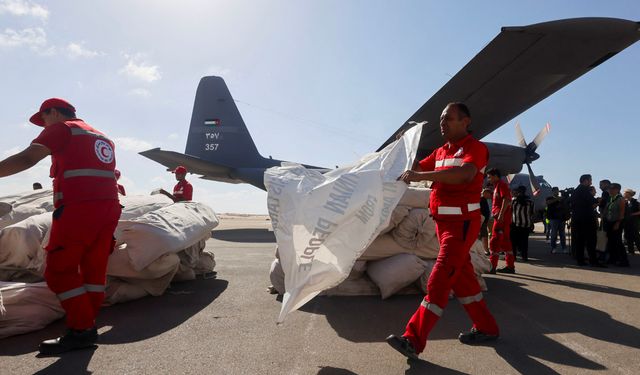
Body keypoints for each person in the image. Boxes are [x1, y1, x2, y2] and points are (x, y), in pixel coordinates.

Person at [0, 98, 121, 354]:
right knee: (94, 273)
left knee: (58, 271)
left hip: (79, 209)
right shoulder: (100, 135)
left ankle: (81, 330)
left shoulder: (62, 128)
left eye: (43, 120)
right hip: (108, 209)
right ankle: (87, 327)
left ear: (53, 112)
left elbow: (26, 158)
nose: (43, 126)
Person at [386, 102, 499, 360]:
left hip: (461, 226)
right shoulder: (440, 152)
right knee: (463, 281)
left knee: (438, 279)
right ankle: (487, 328)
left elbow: (465, 175)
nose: (442, 124)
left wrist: (417, 176)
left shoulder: (476, 149)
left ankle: (413, 339)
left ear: (466, 121)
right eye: (441, 120)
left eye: (448, 118)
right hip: (443, 225)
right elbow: (415, 167)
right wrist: (403, 147)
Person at [570, 174, 604, 267]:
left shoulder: (576, 191)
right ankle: (593, 261)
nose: (591, 182)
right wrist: (598, 200)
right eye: (590, 180)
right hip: (586, 219)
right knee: (591, 240)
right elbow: (591, 201)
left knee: (580, 241)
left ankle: (580, 260)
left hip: (577, 219)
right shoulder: (584, 190)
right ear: (585, 181)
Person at [486, 168, 514, 273]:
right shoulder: (498, 186)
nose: (489, 179)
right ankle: (510, 266)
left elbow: (506, 199)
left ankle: (492, 267)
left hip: (500, 219)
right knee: (506, 242)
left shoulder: (501, 185)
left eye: (490, 177)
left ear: (495, 176)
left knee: (494, 242)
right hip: (502, 218)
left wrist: (501, 215)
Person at [605, 183, 629, 266]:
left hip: (617, 222)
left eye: (612, 189)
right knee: (611, 242)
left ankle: (624, 261)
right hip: (609, 222)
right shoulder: (610, 198)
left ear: (617, 190)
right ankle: (613, 259)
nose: (610, 190)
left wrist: (617, 223)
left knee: (618, 242)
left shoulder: (621, 199)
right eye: (609, 189)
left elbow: (622, 213)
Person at [511, 186, 534, 261]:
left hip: (515, 224)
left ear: (518, 192)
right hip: (526, 224)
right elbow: (532, 213)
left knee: (513, 242)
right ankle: (524, 256)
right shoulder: (530, 202)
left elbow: (510, 212)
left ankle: (513, 256)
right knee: (524, 242)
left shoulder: (513, 201)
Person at [623, 188, 640, 254]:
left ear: (629, 194)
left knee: (636, 237)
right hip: (626, 222)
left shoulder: (636, 202)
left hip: (634, 222)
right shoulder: (625, 202)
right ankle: (631, 252)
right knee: (628, 237)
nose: (623, 194)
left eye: (625, 193)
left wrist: (632, 214)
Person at [479, 188, 492, 256]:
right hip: (482, 221)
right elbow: (480, 211)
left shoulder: (484, 199)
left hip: (483, 220)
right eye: (489, 193)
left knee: (481, 236)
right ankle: (486, 250)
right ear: (485, 193)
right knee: (484, 235)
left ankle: (484, 250)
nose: (490, 195)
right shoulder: (481, 199)